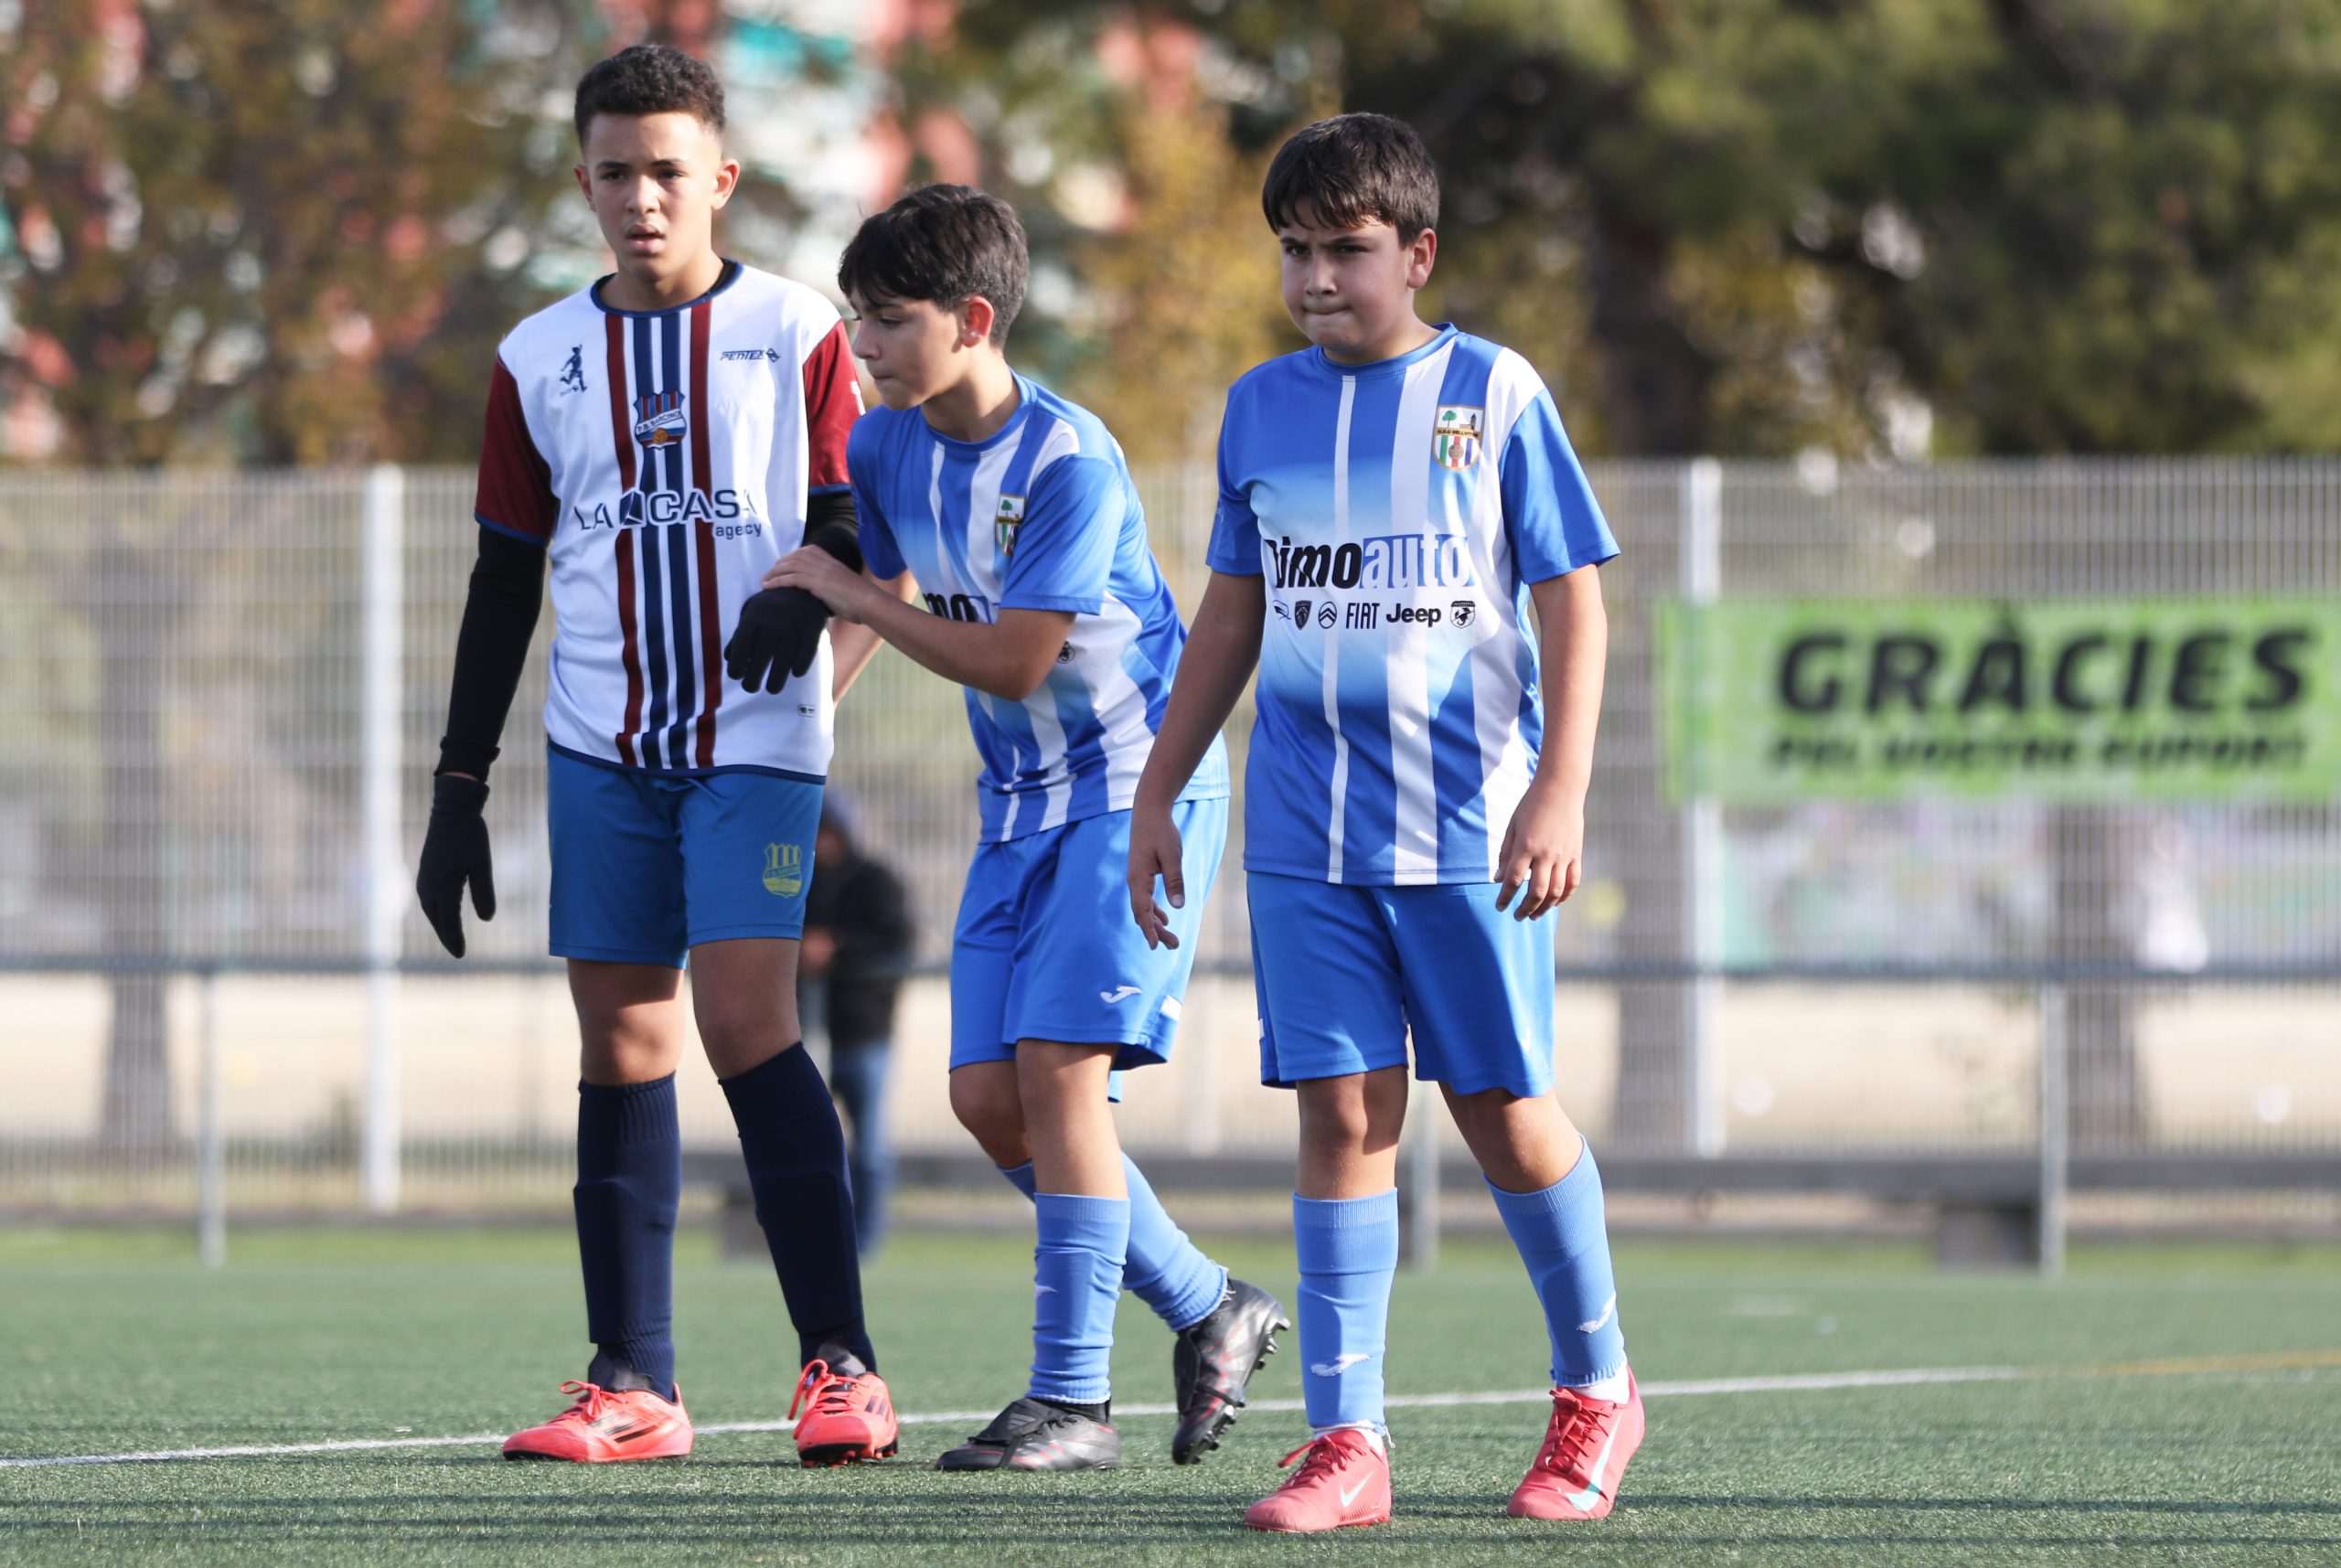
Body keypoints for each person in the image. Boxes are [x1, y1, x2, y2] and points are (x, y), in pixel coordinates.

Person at [1127, 113, 1641, 1531]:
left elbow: (1574, 599)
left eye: (1345, 249)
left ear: (1417, 253)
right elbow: (1232, 611)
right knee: (1345, 1110)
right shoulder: (1258, 407)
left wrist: (1559, 787)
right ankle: (1346, 1439)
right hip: (1304, 831)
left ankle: (1598, 1386)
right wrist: (1160, 786)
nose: (1315, 277)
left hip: (1470, 826)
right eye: (1293, 250)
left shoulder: (1496, 391)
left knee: (1503, 1113)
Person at [412, 43, 897, 1469]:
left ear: (721, 179)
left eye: (668, 172)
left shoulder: (797, 330)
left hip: (756, 738)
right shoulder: (535, 357)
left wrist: (805, 588)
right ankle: (635, 1381)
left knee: (746, 1021)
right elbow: (504, 579)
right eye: (616, 172)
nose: (642, 198)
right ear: (583, 180)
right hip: (598, 745)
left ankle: (842, 1364)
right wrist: (457, 786)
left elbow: (858, 515)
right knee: (622, 1039)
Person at [765, 185, 1287, 1474]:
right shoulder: (886, 446)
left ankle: (1072, 1401)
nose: (864, 344)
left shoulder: (1068, 461)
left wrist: (846, 596)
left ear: (973, 319)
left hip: (1135, 790)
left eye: (889, 319)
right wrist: (803, 724)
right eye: (855, 316)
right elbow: (889, 580)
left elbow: (1011, 658)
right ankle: (1209, 1302)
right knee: (986, 1098)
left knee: (1057, 1075)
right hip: (1018, 809)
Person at [799, 794, 913, 1254]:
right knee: (811, 1140)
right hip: (807, 1032)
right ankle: (819, 1234)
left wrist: (837, 948)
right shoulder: (802, 882)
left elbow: (898, 940)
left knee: (868, 1147)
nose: (821, 844)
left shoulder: (874, 880)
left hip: (863, 1031)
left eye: (827, 833)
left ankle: (865, 1240)